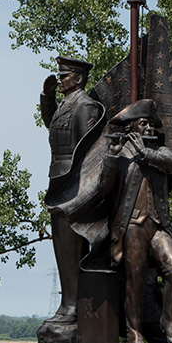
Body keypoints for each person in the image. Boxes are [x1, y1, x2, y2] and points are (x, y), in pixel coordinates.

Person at [94, 100, 172, 343]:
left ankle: (169, 318)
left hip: (157, 227)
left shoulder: (160, 152)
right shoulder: (120, 154)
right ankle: (133, 335)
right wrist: (112, 154)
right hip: (132, 227)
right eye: (142, 123)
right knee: (135, 282)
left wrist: (147, 153)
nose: (148, 127)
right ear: (132, 126)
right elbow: (103, 188)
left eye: (150, 123)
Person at [41, 56, 104, 323]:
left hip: (73, 184)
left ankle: (71, 305)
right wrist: (47, 96)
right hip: (58, 180)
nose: (60, 79)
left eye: (64, 76)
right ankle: (69, 303)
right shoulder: (66, 105)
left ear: (77, 78)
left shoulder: (85, 106)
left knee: (71, 248)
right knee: (61, 247)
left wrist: (81, 192)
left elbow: (87, 152)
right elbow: (52, 124)